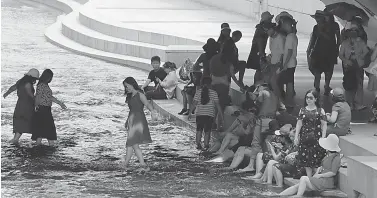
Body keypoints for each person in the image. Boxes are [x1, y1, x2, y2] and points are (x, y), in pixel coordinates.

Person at [235, 83, 279, 173]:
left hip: (262, 120)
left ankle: (251, 166)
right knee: (267, 144)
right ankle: (266, 167)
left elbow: (256, 101)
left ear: (262, 87)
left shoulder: (263, 92)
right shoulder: (274, 95)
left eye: (258, 87)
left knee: (256, 143)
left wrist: (254, 93)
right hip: (272, 120)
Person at [123, 77, 158, 171]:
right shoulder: (130, 96)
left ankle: (138, 164)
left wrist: (153, 112)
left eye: (127, 86)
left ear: (132, 84)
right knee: (131, 144)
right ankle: (129, 164)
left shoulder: (140, 94)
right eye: (125, 87)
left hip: (138, 120)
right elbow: (131, 110)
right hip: (131, 120)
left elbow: (147, 104)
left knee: (132, 143)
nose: (127, 89)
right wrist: (127, 121)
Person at [3, 68, 40, 145]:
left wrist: (6, 94)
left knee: (20, 122)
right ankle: (37, 140)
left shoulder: (20, 82)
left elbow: (12, 88)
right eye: (35, 79)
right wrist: (37, 103)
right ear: (31, 78)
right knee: (29, 122)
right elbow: (31, 96)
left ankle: (15, 139)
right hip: (27, 106)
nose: (35, 81)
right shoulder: (28, 84)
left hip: (19, 104)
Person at [295, 89, 327, 177]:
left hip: (316, 138)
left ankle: (315, 178)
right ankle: (309, 178)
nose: (308, 100)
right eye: (307, 98)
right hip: (304, 137)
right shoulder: (302, 110)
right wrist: (296, 136)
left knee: (316, 158)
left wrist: (323, 137)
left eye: (311, 98)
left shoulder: (320, 111)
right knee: (306, 160)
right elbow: (299, 124)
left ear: (315, 99)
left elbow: (324, 125)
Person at [32, 69, 67, 146]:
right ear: (47, 77)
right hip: (42, 109)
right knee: (49, 128)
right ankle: (50, 145)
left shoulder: (44, 85)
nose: (51, 79)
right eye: (51, 77)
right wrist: (36, 106)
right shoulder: (41, 85)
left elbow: (49, 97)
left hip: (45, 109)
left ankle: (38, 146)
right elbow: (38, 97)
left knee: (41, 129)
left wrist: (59, 103)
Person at [308, 10, 339, 95]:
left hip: (330, 51)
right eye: (316, 18)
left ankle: (326, 86)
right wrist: (309, 50)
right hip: (318, 52)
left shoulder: (332, 26)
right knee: (317, 71)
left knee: (328, 71)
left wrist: (337, 48)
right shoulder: (315, 27)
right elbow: (313, 40)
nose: (317, 20)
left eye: (319, 18)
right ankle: (317, 87)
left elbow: (336, 38)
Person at [188, 77, 223, 150]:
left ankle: (198, 144)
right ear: (211, 84)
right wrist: (221, 115)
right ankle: (206, 145)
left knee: (199, 130)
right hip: (209, 115)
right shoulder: (214, 93)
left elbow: (194, 103)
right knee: (207, 131)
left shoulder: (198, 92)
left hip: (200, 115)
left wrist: (190, 113)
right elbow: (218, 105)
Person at [339, 29, 369, 110]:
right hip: (348, 66)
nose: (353, 34)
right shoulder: (345, 43)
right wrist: (346, 60)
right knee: (349, 85)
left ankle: (359, 104)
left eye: (355, 32)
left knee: (359, 84)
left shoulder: (361, 42)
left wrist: (360, 57)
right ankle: (350, 103)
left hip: (358, 65)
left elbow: (366, 51)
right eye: (351, 32)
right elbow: (340, 55)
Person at [246, 11, 274, 84]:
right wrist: (261, 53)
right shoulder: (261, 29)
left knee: (259, 69)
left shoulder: (261, 27)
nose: (270, 21)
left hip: (258, 50)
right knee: (260, 69)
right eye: (269, 19)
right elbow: (259, 40)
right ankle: (256, 84)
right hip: (257, 51)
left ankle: (256, 84)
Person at [277, 17, 298, 108]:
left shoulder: (289, 37)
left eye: (284, 24)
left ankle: (288, 101)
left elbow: (289, 52)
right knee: (289, 82)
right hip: (292, 62)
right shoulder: (293, 35)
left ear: (287, 25)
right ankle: (289, 101)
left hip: (289, 64)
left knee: (285, 82)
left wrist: (284, 65)